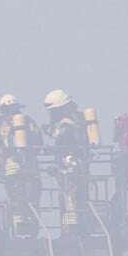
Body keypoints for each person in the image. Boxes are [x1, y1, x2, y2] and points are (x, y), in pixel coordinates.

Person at [0, 93, 42, 238]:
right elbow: (39, 142)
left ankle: (19, 229)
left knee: (16, 198)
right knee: (32, 197)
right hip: (31, 167)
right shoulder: (28, 121)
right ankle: (33, 228)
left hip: (11, 168)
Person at [43, 89, 89, 235]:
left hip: (69, 166)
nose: (52, 114)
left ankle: (70, 230)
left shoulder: (66, 123)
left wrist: (50, 149)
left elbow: (62, 139)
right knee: (78, 198)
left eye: (53, 111)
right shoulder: (78, 119)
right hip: (80, 165)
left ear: (60, 109)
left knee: (69, 198)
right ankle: (75, 228)